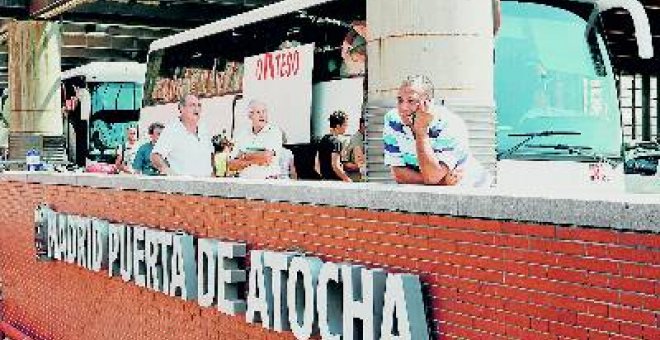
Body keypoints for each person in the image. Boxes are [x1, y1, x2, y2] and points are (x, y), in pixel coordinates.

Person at [383, 75, 491, 187]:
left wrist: (421, 131)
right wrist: (443, 182)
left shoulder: (450, 124)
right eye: (400, 100)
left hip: (472, 190)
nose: (403, 108)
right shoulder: (392, 119)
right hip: (439, 189)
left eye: (411, 101)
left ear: (428, 103)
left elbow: (432, 176)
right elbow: (399, 174)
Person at [151, 94, 214, 177]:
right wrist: (169, 173)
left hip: (207, 185)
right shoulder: (172, 130)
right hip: (184, 187)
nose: (197, 109)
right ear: (181, 108)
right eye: (192, 105)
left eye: (199, 105)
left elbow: (211, 156)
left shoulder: (204, 130)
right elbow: (155, 156)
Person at [228, 100, 283, 179]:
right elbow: (231, 164)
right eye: (258, 112)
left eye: (264, 112)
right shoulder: (242, 134)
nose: (262, 115)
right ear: (250, 116)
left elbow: (266, 157)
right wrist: (255, 159)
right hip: (245, 181)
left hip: (268, 181)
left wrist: (243, 156)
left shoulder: (274, 132)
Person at [316, 111, 352, 182]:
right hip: (336, 182)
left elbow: (317, 165)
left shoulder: (323, 140)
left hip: (325, 181)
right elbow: (335, 166)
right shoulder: (336, 142)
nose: (346, 127)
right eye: (345, 125)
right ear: (338, 126)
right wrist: (347, 179)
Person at [342, 117, 366, 181]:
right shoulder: (350, 140)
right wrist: (361, 168)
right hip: (355, 182)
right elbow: (344, 165)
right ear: (362, 125)